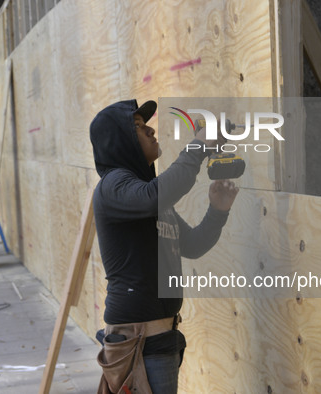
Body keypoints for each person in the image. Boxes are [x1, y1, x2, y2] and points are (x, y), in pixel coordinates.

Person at [90, 99, 238, 394]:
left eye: (146, 124)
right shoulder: (114, 185)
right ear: (121, 142)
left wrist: (218, 211)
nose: (150, 130)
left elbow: (193, 245)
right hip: (139, 344)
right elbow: (156, 194)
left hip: (158, 340)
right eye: (138, 127)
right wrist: (197, 145)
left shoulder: (147, 198)